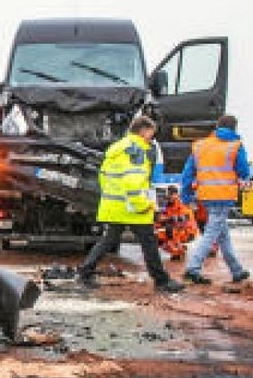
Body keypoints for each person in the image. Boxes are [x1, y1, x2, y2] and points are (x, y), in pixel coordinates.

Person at [78, 115, 186, 293]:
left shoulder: (117, 147)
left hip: (114, 205)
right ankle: (162, 281)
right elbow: (133, 181)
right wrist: (144, 204)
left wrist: (113, 196)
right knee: (148, 242)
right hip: (133, 207)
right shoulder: (136, 151)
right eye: (151, 134)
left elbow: (103, 176)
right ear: (143, 131)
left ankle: (85, 272)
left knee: (109, 240)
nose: (152, 138)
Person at [180, 114, 252, 285]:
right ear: (234, 128)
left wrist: (186, 195)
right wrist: (245, 180)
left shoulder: (200, 145)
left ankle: (236, 270)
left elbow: (187, 173)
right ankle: (193, 268)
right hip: (224, 195)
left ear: (217, 127)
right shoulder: (235, 145)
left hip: (205, 195)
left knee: (222, 234)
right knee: (211, 233)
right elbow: (243, 171)